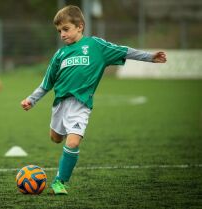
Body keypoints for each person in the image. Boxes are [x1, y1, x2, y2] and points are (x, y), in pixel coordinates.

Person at [20, 5, 167, 195]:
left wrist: (149, 57)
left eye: (66, 29)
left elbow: (124, 51)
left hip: (81, 105)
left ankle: (60, 181)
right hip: (60, 104)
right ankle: (63, 140)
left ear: (80, 26)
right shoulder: (60, 55)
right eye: (59, 31)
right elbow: (46, 83)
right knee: (55, 138)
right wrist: (31, 100)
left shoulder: (96, 46)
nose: (62, 34)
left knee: (72, 143)